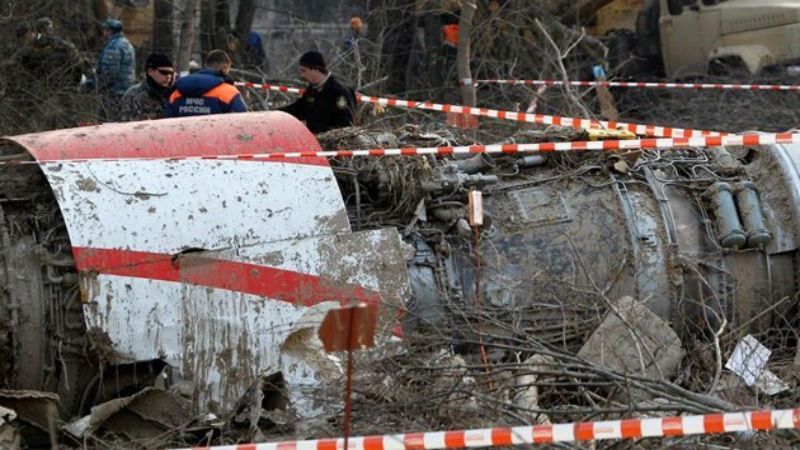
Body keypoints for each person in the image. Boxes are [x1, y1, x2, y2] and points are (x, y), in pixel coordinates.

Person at [279, 51, 356, 134]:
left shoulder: (339, 91)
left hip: (333, 142)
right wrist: (275, 114)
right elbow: (298, 109)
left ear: (315, 69)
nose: (302, 75)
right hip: (313, 141)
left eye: (304, 71)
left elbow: (347, 124)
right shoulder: (312, 90)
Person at [166, 49, 247, 117]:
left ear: (205, 65)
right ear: (225, 68)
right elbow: (241, 122)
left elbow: (166, 121)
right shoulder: (229, 92)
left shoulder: (177, 92)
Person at [18, 17, 84, 88]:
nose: (51, 31)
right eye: (49, 28)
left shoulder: (58, 43)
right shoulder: (39, 44)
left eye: (51, 28)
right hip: (58, 81)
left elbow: (76, 62)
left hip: (63, 80)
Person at [92, 18, 136, 120]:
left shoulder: (114, 46)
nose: (103, 33)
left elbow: (110, 72)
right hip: (126, 90)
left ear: (109, 31)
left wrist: (98, 85)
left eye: (105, 30)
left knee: (108, 122)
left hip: (115, 92)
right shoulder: (127, 44)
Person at [120, 53, 175, 121]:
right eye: (164, 72)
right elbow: (126, 124)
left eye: (171, 73)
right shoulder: (134, 96)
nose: (168, 76)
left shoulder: (174, 94)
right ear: (150, 71)